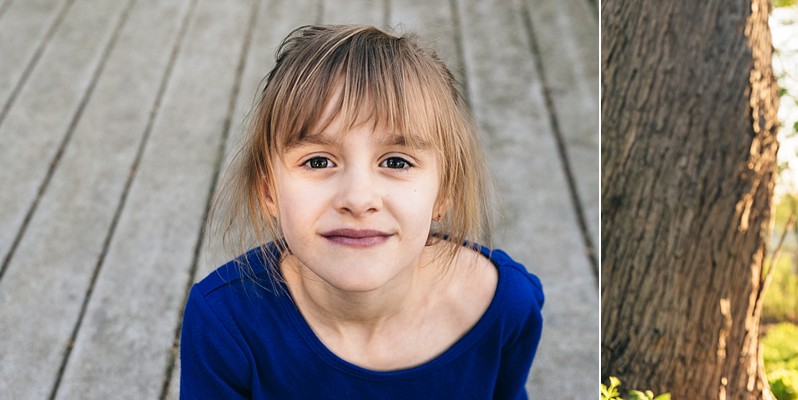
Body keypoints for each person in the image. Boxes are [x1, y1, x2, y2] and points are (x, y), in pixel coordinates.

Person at [180, 25, 543, 399]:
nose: (358, 198)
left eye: (397, 162)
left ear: (444, 191)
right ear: (270, 190)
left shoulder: (504, 307)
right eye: (318, 161)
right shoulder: (224, 323)